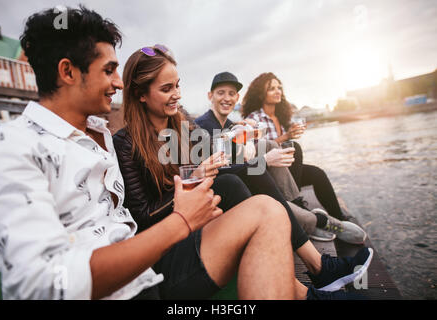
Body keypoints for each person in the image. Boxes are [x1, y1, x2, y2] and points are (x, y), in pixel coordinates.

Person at [0, 6, 365, 300]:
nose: (117, 82)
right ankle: (314, 273)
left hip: (151, 267)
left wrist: (239, 157)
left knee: (252, 193)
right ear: (68, 72)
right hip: (146, 274)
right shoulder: (11, 146)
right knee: (245, 190)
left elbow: (216, 154)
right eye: (108, 71)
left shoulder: (101, 134)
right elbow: (42, 284)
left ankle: (310, 282)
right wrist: (182, 219)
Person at [112, 46, 374, 299]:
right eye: (166, 89)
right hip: (171, 235)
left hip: (202, 211)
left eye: (178, 85)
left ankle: (317, 266)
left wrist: (236, 156)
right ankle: (314, 265)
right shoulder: (125, 142)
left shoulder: (183, 124)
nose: (177, 94)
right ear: (140, 94)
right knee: (237, 182)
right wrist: (195, 178)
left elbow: (216, 165)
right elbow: (142, 216)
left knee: (249, 172)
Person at [195, 71, 367, 244]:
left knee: (274, 147)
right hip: (231, 188)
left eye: (231, 94)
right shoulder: (204, 126)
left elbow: (239, 155)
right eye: (221, 93)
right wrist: (264, 159)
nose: (227, 98)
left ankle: (299, 207)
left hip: (248, 177)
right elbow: (222, 171)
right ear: (210, 96)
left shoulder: (229, 124)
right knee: (271, 160)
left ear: (237, 97)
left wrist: (246, 134)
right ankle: (321, 222)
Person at [241, 72, 360, 225]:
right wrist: (286, 137)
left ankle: (340, 218)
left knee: (318, 174)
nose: (277, 91)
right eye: (271, 88)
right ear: (260, 94)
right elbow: (259, 148)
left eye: (279, 88)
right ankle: (295, 203)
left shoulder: (282, 116)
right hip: (270, 171)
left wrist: (292, 133)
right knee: (293, 147)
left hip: (288, 168)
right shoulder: (254, 118)